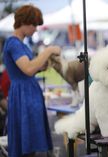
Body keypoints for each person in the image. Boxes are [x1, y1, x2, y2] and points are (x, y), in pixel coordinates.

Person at [3, 5, 61, 157]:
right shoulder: (13, 43)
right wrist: (48, 50)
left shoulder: (21, 44)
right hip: (23, 96)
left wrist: (44, 64)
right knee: (26, 146)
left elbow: (32, 68)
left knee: (31, 144)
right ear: (24, 22)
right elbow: (28, 69)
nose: (36, 29)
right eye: (33, 24)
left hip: (28, 94)